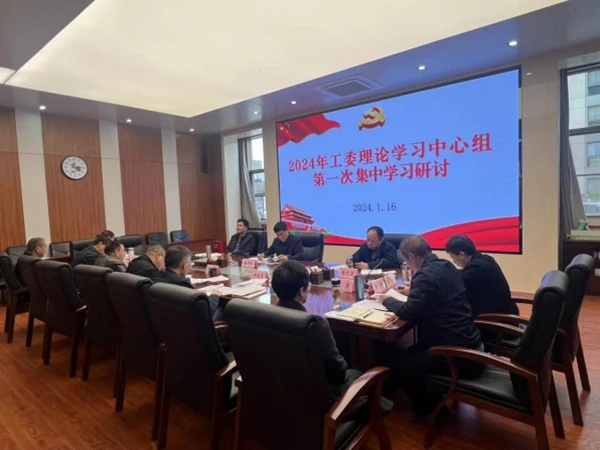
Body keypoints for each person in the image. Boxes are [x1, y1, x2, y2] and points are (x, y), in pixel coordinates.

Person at [379, 235, 483, 417]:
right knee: (411, 351)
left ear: (412, 257)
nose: (407, 265)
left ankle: (433, 412)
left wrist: (386, 299)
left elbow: (408, 311)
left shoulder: (424, 275)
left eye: (406, 261)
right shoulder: (447, 266)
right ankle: (432, 394)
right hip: (472, 342)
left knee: (403, 368)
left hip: (459, 356)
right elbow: (436, 293)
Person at [272, 260, 355, 400]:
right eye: (307, 287)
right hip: (320, 399)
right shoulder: (315, 324)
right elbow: (339, 373)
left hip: (279, 391)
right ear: (301, 292)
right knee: (359, 373)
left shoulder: (265, 316)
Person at [445, 235, 519, 317]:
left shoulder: (475, 270)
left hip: (494, 320)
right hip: (506, 313)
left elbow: (456, 286)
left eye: (453, 258)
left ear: (462, 255)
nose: (454, 262)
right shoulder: (486, 259)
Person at [152, 245, 223, 321]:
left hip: (166, 322)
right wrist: (214, 296)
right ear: (184, 265)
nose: (189, 268)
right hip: (189, 324)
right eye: (190, 264)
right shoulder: (182, 283)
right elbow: (206, 311)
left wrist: (194, 293)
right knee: (224, 308)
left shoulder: (157, 278)